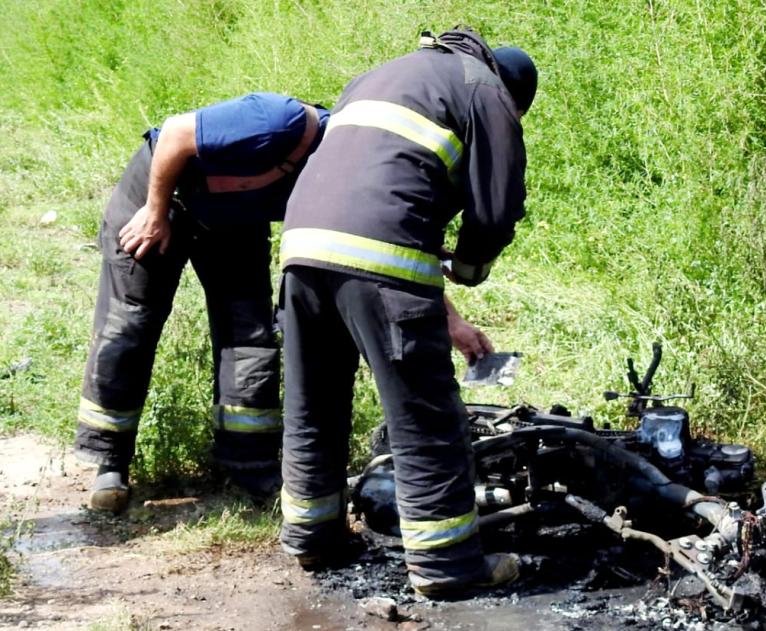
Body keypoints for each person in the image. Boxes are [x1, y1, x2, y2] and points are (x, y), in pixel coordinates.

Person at [276, 27, 536, 597]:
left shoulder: (384, 74)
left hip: (300, 249)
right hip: (378, 256)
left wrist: (443, 302)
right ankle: (447, 567)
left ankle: (313, 539)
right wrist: (469, 269)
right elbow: (495, 208)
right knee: (424, 415)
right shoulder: (484, 89)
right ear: (514, 96)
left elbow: (377, 189)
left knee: (313, 401)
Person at [76, 93, 331, 513]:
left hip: (235, 221)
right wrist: (155, 211)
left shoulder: (339, 175)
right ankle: (111, 460)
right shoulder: (278, 121)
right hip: (160, 194)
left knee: (249, 336)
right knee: (130, 325)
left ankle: (248, 464)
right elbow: (176, 132)